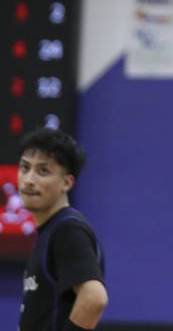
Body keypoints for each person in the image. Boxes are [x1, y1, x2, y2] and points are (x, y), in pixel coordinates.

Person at [17, 129, 107, 331]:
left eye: (43, 171)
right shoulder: (51, 230)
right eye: (24, 168)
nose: (29, 180)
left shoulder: (67, 230)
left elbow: (94, 298)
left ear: (67, 182)